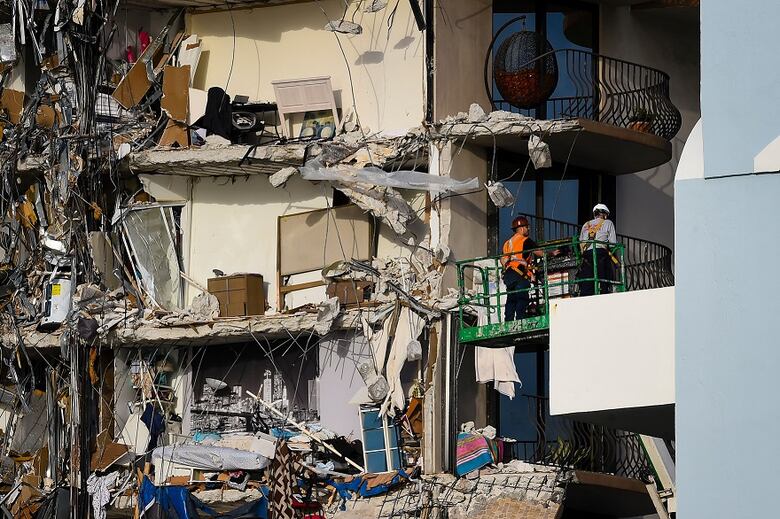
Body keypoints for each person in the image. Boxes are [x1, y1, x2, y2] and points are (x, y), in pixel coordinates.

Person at [501, 216, 539, 322]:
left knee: (511, 299)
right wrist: (551, 253)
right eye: (527, 227)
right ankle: (520, 321)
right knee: (522, 298)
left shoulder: (507, 243)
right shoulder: (525, 240)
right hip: (518, 274)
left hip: (508, 274)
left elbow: (502, 259)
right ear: (522, 228)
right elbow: (540, 253)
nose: (528, 229)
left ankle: (508, 321)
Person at [578, 203, 617, 296]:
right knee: (604, 278)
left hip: (586, 255)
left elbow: (581, 242)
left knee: (587, 283)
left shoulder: (585, 225)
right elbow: (612, 243)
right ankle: (605, 291)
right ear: (604, 214)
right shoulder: (608, 223)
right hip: (600, 253)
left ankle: (585, 297)